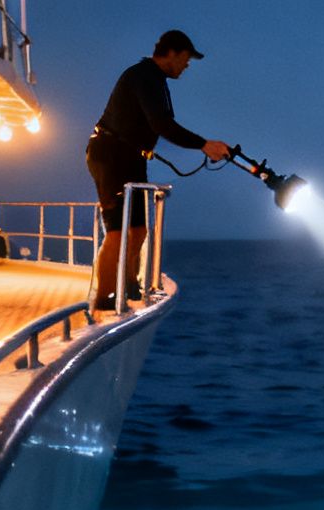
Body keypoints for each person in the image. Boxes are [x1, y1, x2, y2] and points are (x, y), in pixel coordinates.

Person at [86, 30, 231, 310]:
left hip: (131, 158)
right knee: (117, 232)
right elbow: (161, 125)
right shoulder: (143, 76)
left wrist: (205, 145)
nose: (187, 66)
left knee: (138, 230)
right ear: (173, 53)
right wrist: (204, 145)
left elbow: (159, 125)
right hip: (111, 155)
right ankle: (103, 301)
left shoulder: (155, 80)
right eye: (186, 59)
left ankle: (127, 286)